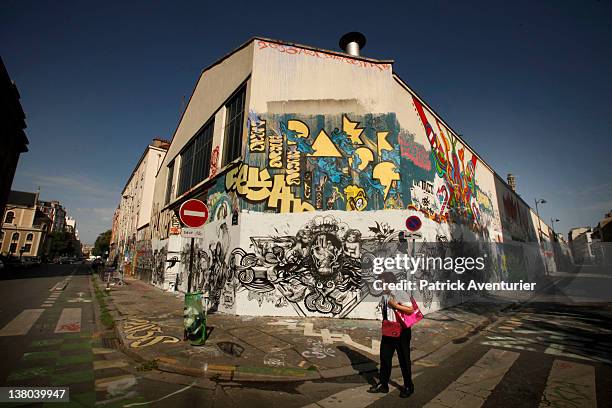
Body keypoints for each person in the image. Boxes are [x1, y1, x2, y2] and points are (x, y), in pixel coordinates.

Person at [368, 272, 415, 398]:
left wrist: (395, 305)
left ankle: (408, 386)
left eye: (382, 283)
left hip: (402, 332)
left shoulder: (400, 293)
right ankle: (384, 385)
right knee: (384, 358)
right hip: (389, 330)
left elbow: (411, 310)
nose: (381, 285)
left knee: (404, 360)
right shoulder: (385, 295)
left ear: (389, 283)